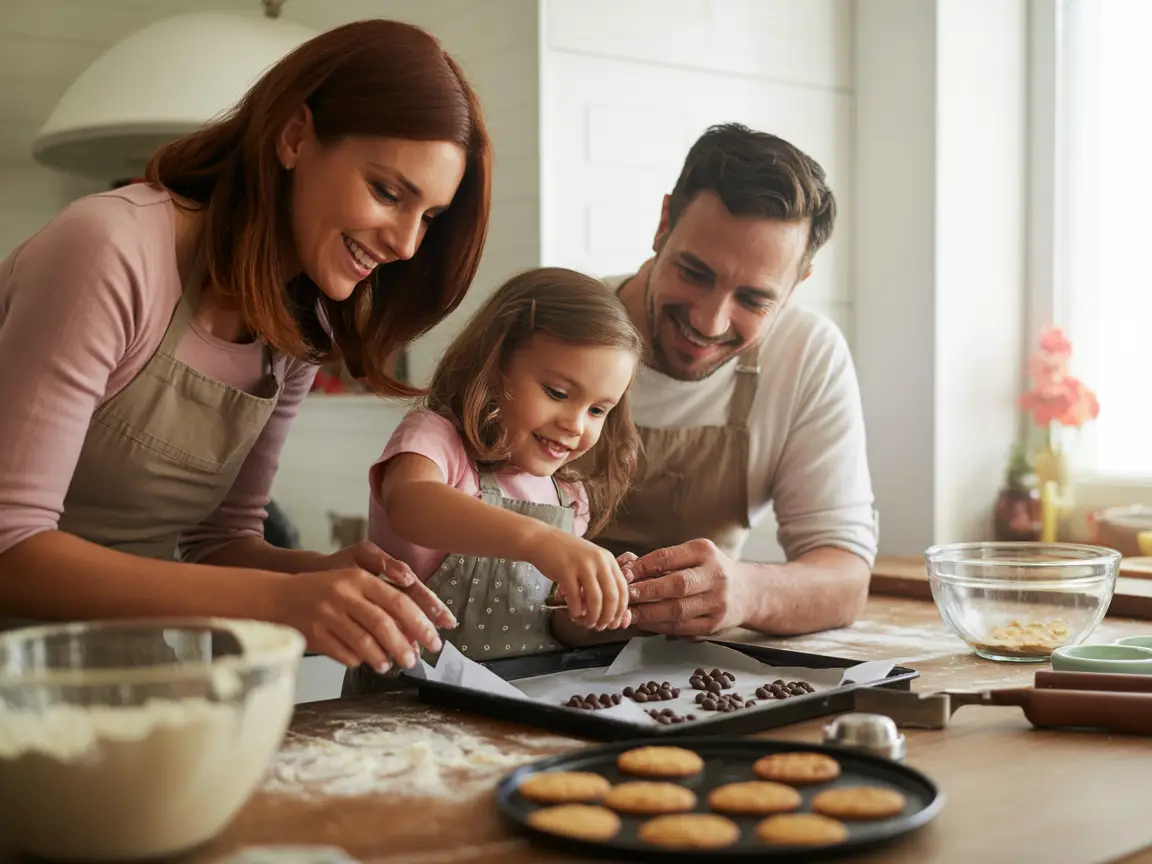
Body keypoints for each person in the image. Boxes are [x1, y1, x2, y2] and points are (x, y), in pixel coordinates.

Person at [0, 20, 493, 676]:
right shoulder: (109, 250)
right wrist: (282, 597)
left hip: (130, 675)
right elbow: (12, 548)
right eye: (386, 192)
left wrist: (326, 579)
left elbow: (219, 541)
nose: (405, 244)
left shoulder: (297, 322)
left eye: (427, 217)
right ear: (295, 136)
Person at [596, 123, 878, 640]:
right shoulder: (550, 325)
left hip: (693, 675)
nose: (709, 321)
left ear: (796, 287)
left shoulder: (806, 355)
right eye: (695, 273)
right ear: (663, 225)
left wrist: (746, 591)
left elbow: (844, 576)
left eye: (753, 299)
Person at [347, 268, 641, 694]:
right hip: (404, 711)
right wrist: (539, 541)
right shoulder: (436, 439)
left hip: (522, 710)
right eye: (558, 393)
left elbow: (551, 626)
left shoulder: (569, 495)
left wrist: (594, 604)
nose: (576, 425)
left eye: (598, 410)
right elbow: (410, 504)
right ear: (494, 364)